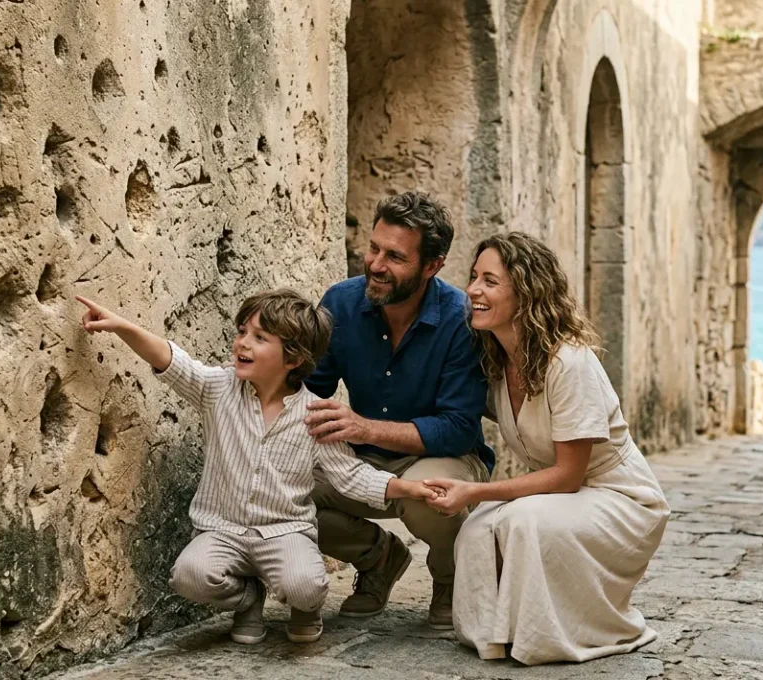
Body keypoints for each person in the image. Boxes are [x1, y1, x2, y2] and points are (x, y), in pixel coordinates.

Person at [75, 289, 436, 645]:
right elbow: (172, 360)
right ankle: (247, 598)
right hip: (223, 531)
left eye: (259, 337)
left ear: (293, 359)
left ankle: (305, 607)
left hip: (285, 532)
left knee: (304, 586)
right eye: (241, 332)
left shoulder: (316, 415)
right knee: (190, 576)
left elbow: (352, 475)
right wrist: (122, 327)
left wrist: (408, 488)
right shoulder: (217, 389)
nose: (242, 344)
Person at [424, 232, 670, 665]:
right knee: (478, 530)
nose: (474, 291)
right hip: (567, 496)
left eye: (490, 281)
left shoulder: (569, 362)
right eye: (473, 277)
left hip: (620, 498)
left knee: (520, 519)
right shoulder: (497, 362)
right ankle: (500, 635)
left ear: (526, 291)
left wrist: (474, 492)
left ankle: (560, 633)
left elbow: (568, 476)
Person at [303, 191, 492, 630]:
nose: (375, 264)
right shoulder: (342, 302)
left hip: (447, 458)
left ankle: (450, 579)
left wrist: (363, 426)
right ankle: (379, 558)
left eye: (394, 256)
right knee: (282, 490)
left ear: (432, 266)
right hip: (362, 460)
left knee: (428, 492)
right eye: (374, 248)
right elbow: (308, 388)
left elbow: (458, 430)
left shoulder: (461, 320)